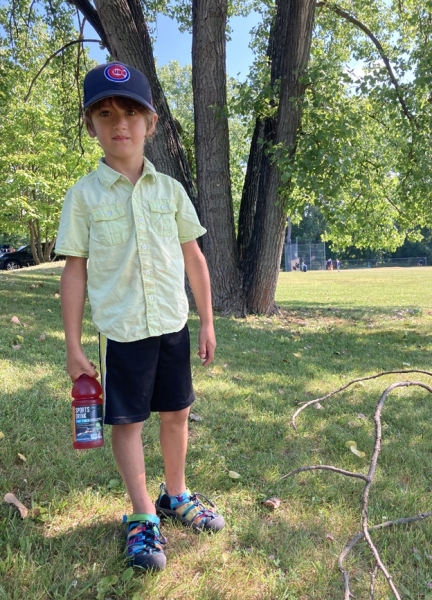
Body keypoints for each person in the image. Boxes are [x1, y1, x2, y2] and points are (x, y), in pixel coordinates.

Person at [55, 62, 225, 572]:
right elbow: (75, 272)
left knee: (176, 413)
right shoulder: (83, 196)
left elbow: (194, 257)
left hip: (173, 324)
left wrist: (209, 322)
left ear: (151, 123)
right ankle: (143, 513)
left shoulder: (170, 191)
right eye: (105, 114)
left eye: (131, 112)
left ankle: (176, 494)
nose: (119, 124)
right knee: (127, 422)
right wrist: (73, 345)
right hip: (122, 332)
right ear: (92, 127)